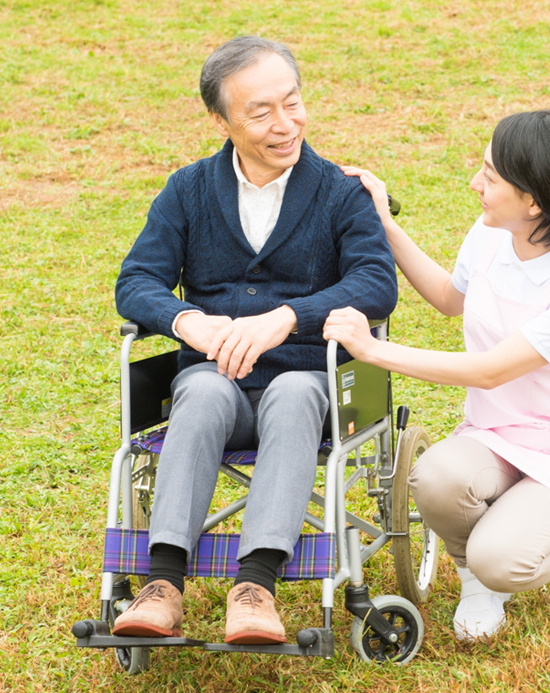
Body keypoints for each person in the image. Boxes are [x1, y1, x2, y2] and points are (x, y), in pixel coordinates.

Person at [110, 36, 397, 645]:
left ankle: (255, 587)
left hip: (308, 385)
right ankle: (162, 584)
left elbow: (376, 282)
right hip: (220, 381)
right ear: (221, 121)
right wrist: (190, 322)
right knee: (204, 392)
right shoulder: (188, 190)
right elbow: (136, 281)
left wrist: (291, 316)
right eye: (261, 112)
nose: (283, 124)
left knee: (293, 393)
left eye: (292, 104)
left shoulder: (339, 192)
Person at [323, 108, 550, 639]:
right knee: (437, 480)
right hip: (495, 435)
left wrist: (373, 351)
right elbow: (450, 299)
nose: (476, 184)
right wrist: (386, 225)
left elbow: (490, 371)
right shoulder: (492, 233)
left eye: (490, 177)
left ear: (534, 201)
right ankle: (477, 580)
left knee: (504, 559)